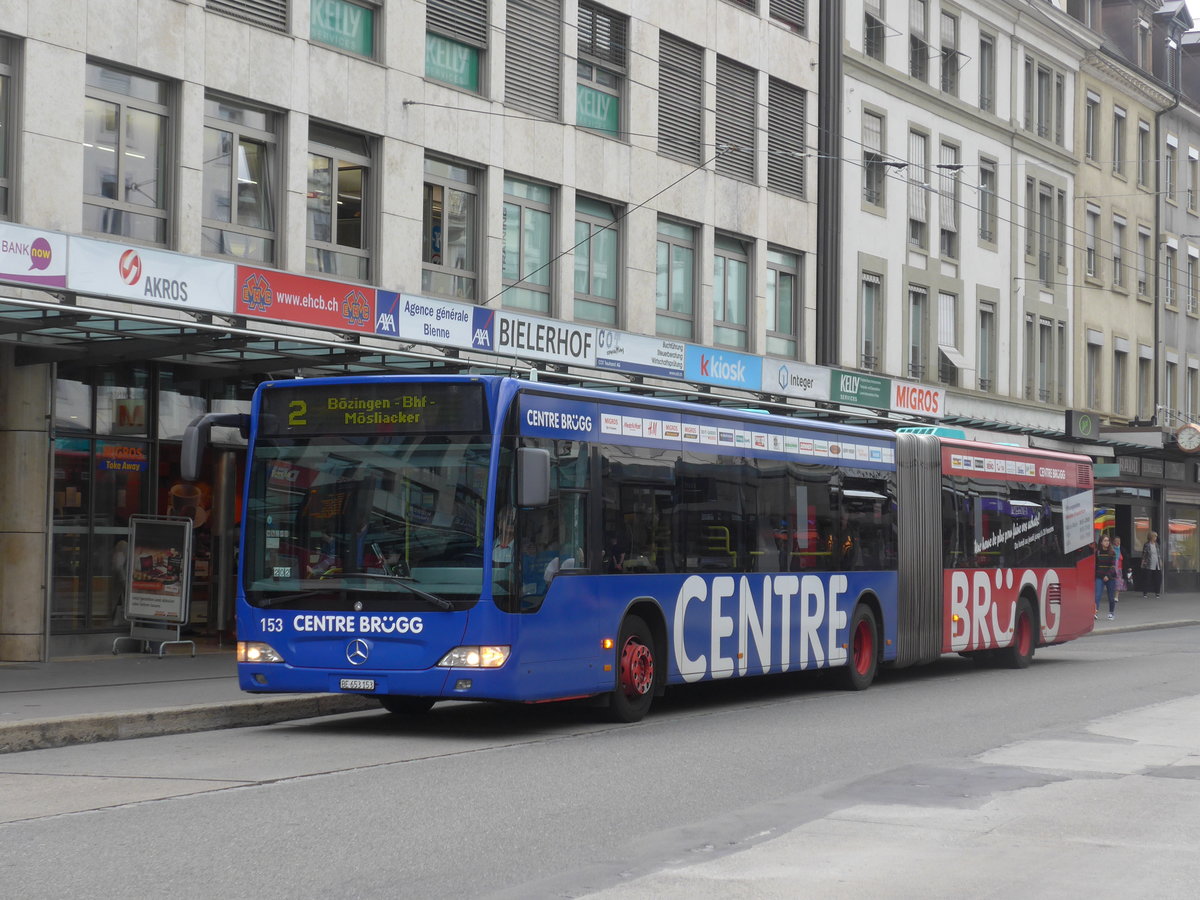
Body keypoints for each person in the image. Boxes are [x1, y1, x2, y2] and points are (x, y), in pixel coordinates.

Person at [1094, 533, 1117, 620]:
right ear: (1101, 542)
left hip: (1110, 577)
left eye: (1108, 541)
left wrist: (1108, 575)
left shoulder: (1112, 552)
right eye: (1105, 541)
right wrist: (1097, 575)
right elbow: (1096, 565)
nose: (1107, 542)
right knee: (1097, 595)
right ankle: (1095, 612)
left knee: (1111, 596)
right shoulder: (1098, 552)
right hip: (1100, 576)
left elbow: (1113, 566)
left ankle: (1111, 613)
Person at [1140, 531, 1162, 598]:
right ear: (1151, 537)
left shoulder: (1157, 544)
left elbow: (1158, 554)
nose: (1156, 537)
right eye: (1155, 536)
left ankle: (1157, 592)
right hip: (1149, 563)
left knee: (1158, 578)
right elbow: (1144, 554)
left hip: (1156, 563)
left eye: (1156, 536)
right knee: (1147, 579)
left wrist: (1160, 561)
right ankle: (1145, 593)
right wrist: (1143, 562)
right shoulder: (1147, 545)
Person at [1112, 535, 1125, 602]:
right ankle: (1111, 595)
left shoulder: (1121, 549)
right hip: (1112, 568)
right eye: (1116, 541)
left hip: (1119, 569)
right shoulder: (1111, 549)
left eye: (1119, 541)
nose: (1118, 542)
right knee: (1112, 582)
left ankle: (1116, 597)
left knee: (1118, 582)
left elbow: (1125, 558)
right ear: (1113, 542)